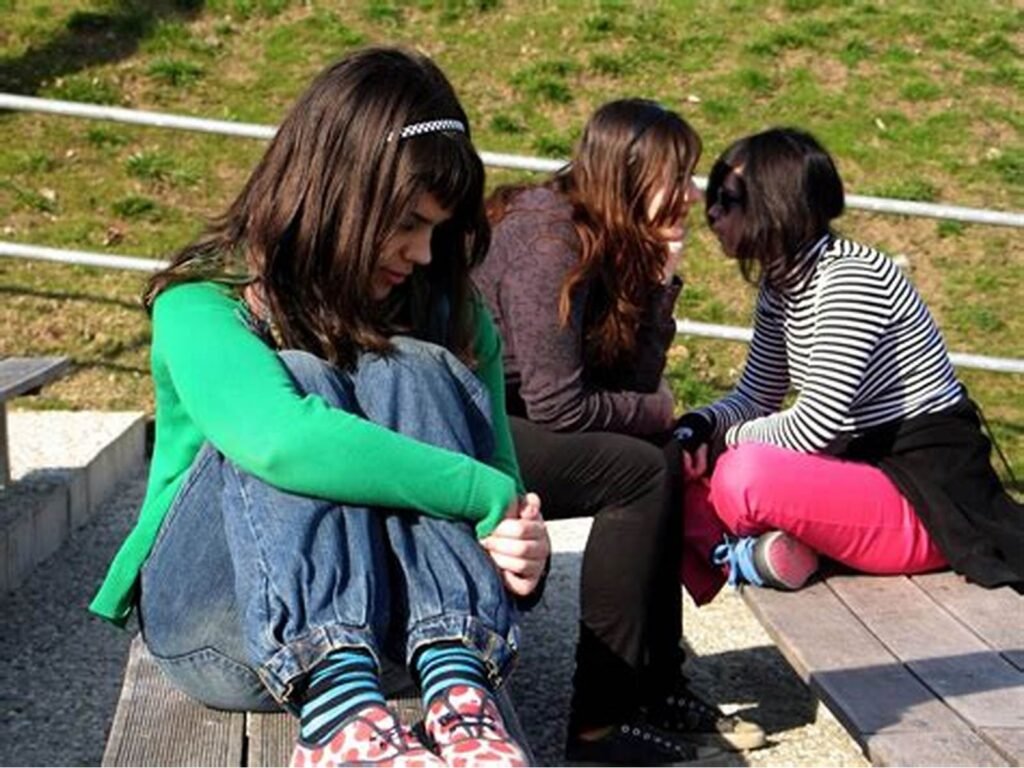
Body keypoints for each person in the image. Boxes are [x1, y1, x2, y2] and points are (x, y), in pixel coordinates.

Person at [89, 46, 552, 768]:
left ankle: (461, 692)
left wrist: (524, 547)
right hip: (224, 632)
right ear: (338, 191)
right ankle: (339, 714)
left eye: (437, 227)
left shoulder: (450, 310)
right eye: (406, 222)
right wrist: (478, 490)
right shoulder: (203, 298)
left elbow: (503, 489)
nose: (424, 253)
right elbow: (278, 441)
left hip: (407, 640)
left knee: (415, 366)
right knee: (300, 378)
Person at [474, 99, 764, 765]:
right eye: (677, 176)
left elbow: (628, 384)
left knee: (658, 456)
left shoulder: (605, 232)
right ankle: (597, 723)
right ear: (627, 175)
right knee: (638, 469)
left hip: (518, 411)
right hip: (468, 420)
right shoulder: (547, 238)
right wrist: (658, 410)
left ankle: (654, 684)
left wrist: (660, 285)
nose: (691, 195)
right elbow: (560, 405)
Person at [676, 126, 1023, 605]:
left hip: (928, 498)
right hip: (858, 470)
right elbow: (755, 398)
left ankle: (763, 549)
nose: (711, 212)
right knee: (673, 463)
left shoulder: (850, 279)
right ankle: (770, 550)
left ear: (776, 204)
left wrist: (723, 443)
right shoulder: (783, 284)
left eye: (728, 199)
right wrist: (698, 427)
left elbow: (814, 427)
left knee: (742, 475)